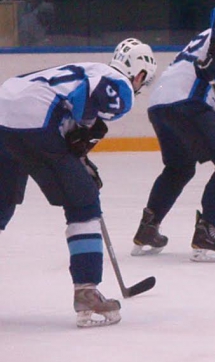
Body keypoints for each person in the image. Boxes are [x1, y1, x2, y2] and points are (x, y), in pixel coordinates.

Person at [0, 38, 157, 327]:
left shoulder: (88, 67)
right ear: (140, 73)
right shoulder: (119, 85)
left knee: (2, 199)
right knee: (84, 202)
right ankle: (87, 294)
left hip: (4, 116)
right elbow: (88, 97)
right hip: (38, 122)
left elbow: (63, 111)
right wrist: (84, 129)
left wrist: (79, 152)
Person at [131, 4, 215, 263]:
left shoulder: (206, 38)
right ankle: (206, 232)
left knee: (179, 168)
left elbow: (209, 90)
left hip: (160, 104)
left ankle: (148, 229)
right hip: (187, 102)